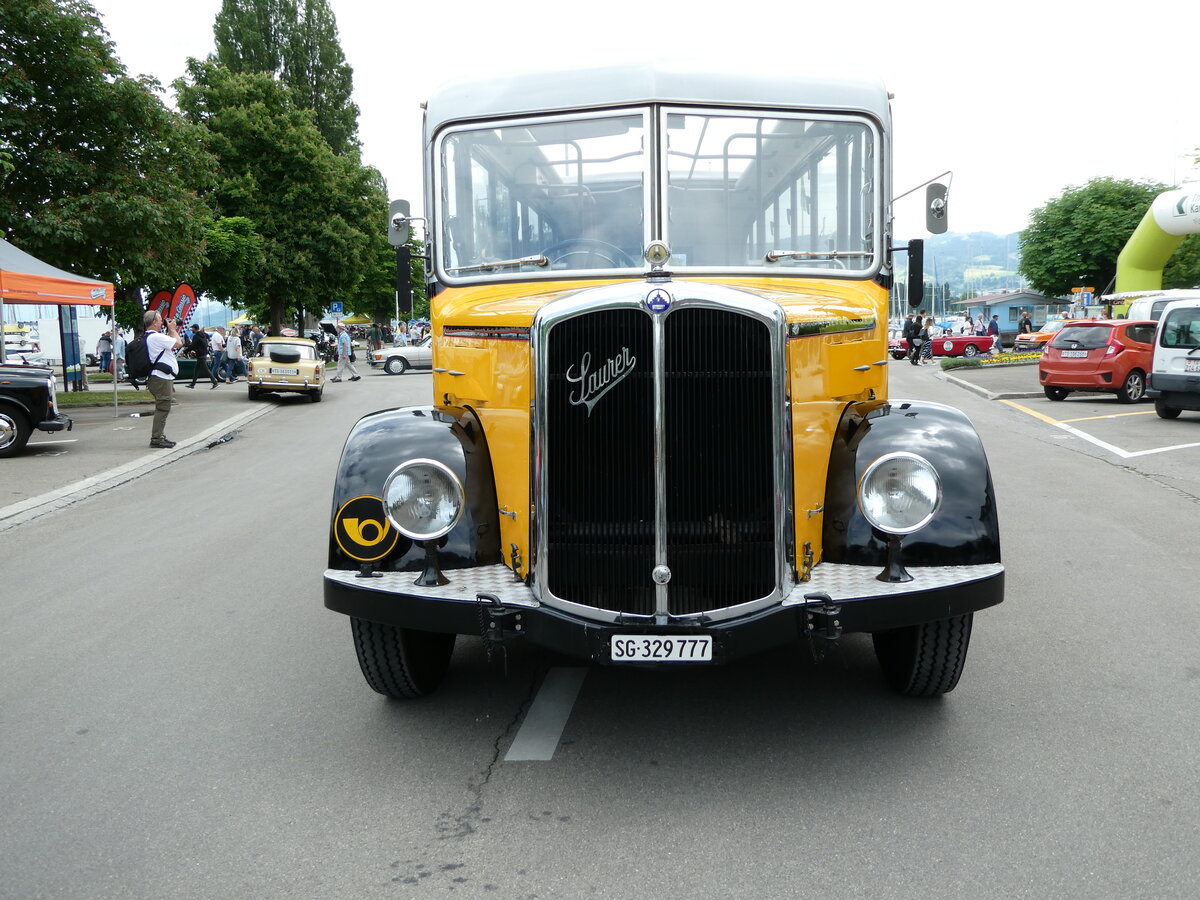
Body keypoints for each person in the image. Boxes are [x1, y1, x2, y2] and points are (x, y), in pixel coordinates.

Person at [144, 310, 182, 448]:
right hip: (160, 378)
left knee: (163, 407)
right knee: (163, 408)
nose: (162, 322)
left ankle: (160, 436)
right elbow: (178, 343)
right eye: (160, 319)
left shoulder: (152, 337)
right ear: (154, 322)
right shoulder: (156, 337)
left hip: (158, 378)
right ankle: (157, 439)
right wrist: (172, 329)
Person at [186, 324, 219, 388]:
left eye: (192, 328)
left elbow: (193, 346)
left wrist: (186, 350)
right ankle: (192, 384)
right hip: (203, 354)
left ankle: (215, 383)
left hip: (200, 355)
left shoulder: (196, 336)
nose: (191, 329)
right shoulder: (203, 335)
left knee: (206, 370)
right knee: (196, 370)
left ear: (195, 328)